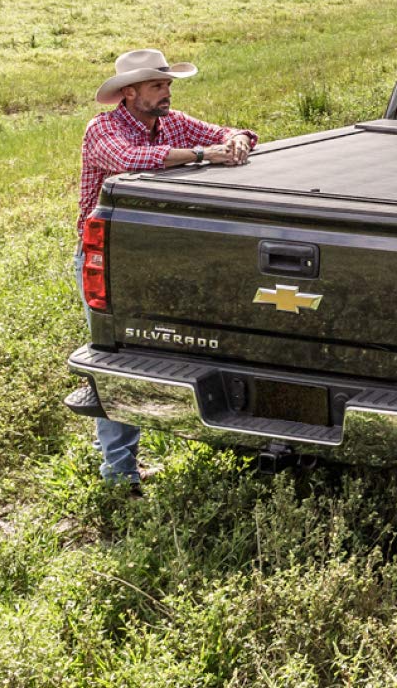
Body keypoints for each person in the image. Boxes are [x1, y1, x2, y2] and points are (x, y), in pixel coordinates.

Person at [76, 48, 258, 495]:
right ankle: (119, 476)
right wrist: (202, 153)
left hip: (162, 250)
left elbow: (239, 131)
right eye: (158, 86)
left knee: (176, 344)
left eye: (168, 85)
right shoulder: (104, 129)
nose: (167, 93)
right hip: (111, 255)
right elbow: (132, 160)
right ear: (130, 91)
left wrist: (234, 141)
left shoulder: (172, 121)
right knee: (118, 353)